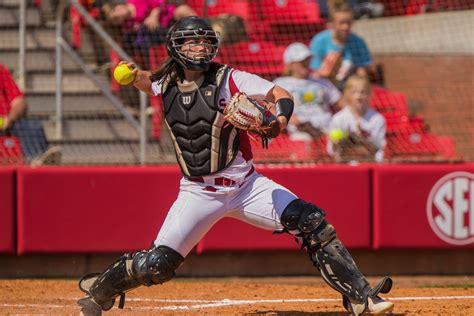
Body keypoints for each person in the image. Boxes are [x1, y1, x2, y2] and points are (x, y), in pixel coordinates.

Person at [76, 16, 394, 316]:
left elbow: (279, 92)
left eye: (205, 42)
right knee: (157, 264)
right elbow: (150, 82)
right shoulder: (168, 79)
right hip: (198, 192)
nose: (200, 48)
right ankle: (99, 290)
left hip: (246, 185)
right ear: (176, 47)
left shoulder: (228, 77)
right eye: (192, 43)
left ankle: (361, 297)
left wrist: (280, 120)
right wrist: (132, 76)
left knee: (311, 221)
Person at [273, 42, 342, 141]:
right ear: (290, 64)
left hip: (328, 127)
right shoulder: (280, 84)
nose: (306, 63)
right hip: (301, 129)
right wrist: (289, 118)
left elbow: (340, 105)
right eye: (301, 61)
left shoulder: (322, 82)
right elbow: (268, 106)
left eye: (307, 60)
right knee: (303, 138)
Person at [0, 64, 61, 166]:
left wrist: (9, 119)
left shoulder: (0, 70)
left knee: (32, 125)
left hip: (7, 124)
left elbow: (19, 102)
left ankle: (36, 162)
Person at [309, 0, 373, 89]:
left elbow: (362, 71)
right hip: (325, 85)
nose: (345, 27)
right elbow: (315, 72)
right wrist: (329, 68)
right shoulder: (319, 40)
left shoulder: (358, 42)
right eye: (342, 23)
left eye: (349, 22)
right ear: (331, 24)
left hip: (349, 87)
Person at [327, 74, 386, 162]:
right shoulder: (338, 119)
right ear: (347, 94)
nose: (358, 97)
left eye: (363, 92)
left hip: (368, 164)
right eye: (354, 92)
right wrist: (340, 143)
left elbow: (379, 149)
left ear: (369, 94)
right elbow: (331, 150)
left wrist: (363, 141)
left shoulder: (377, 119)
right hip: (345, 165)